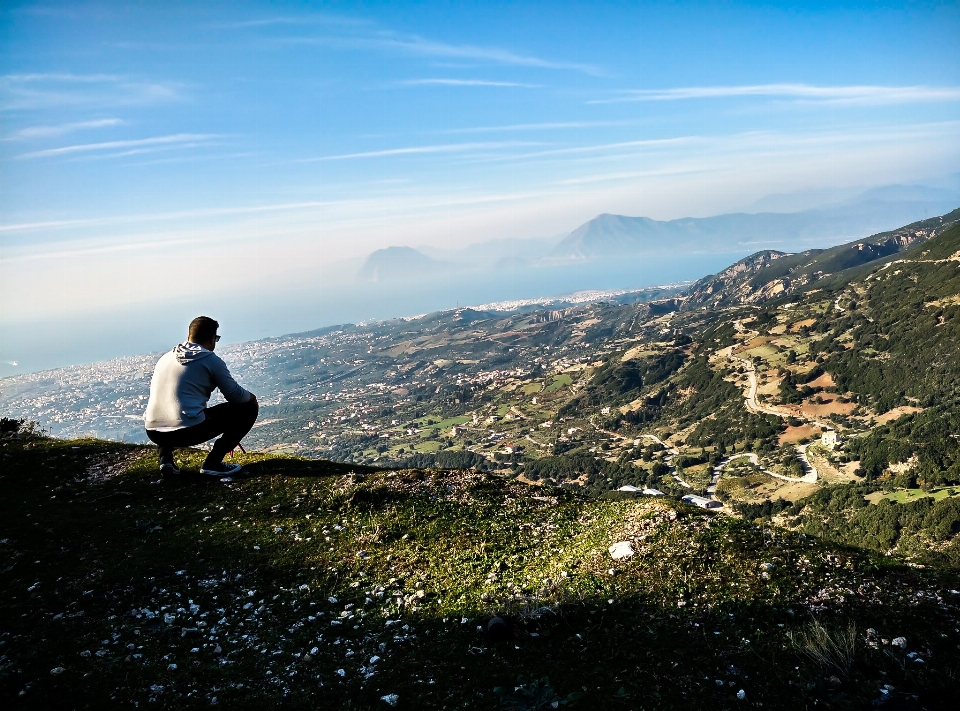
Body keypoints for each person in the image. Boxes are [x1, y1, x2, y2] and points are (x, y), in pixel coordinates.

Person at [144, 316, 258, 477]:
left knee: (167, 410)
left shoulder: (165, 357)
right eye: (216, 338)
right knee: (248, 408)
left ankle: (166, 461)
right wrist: (252, 398)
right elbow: (236, 397)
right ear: (212, 338)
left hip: (153, 431)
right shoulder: (210, 359)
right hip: (186, 432)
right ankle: (213, 463)